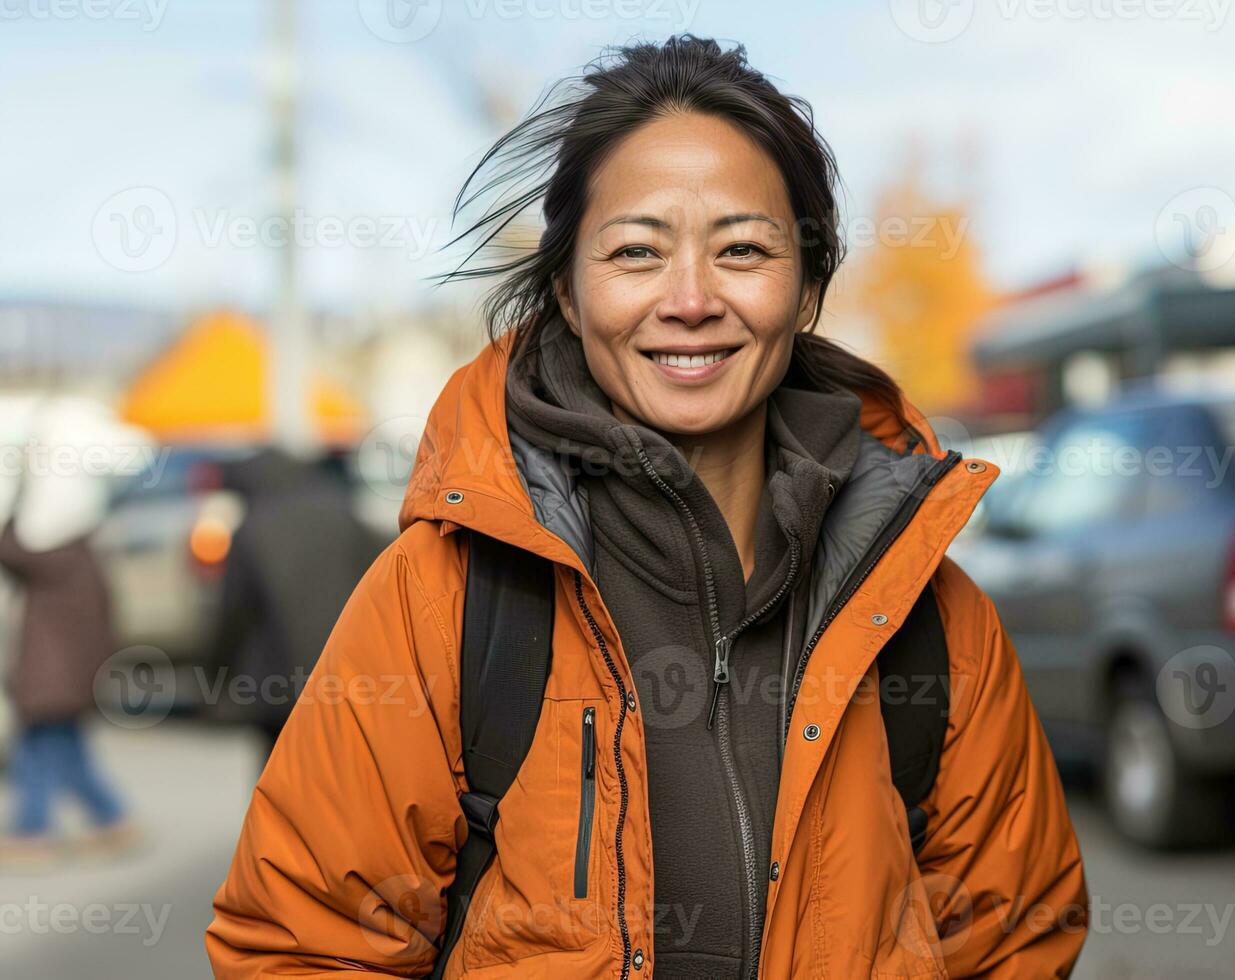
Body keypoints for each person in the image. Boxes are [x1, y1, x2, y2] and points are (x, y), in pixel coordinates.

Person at [207, 35, 1088, 978]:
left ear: (807, 290)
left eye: (743, 249)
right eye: (636, 251)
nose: (692, 298)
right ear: (570, 296)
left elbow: (1015, 931)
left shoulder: (931, 618)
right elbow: (302, 942)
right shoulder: (447, 601)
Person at [207, 447, 382, 764]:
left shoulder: (252, 530)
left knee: (279, 773)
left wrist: (213, 674)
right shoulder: (343, 513)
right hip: (341, 670)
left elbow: (232, 613)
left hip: (277, 681)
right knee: (339, 768)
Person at [0, 497, 137, 867]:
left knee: (35, 752)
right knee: (65, 752)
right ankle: (112, 820)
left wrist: (13, 505)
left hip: (51, 680)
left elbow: (10, 550)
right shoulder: (83, 558)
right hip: (68, 678)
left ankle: (33, 832)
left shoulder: (59, 558)